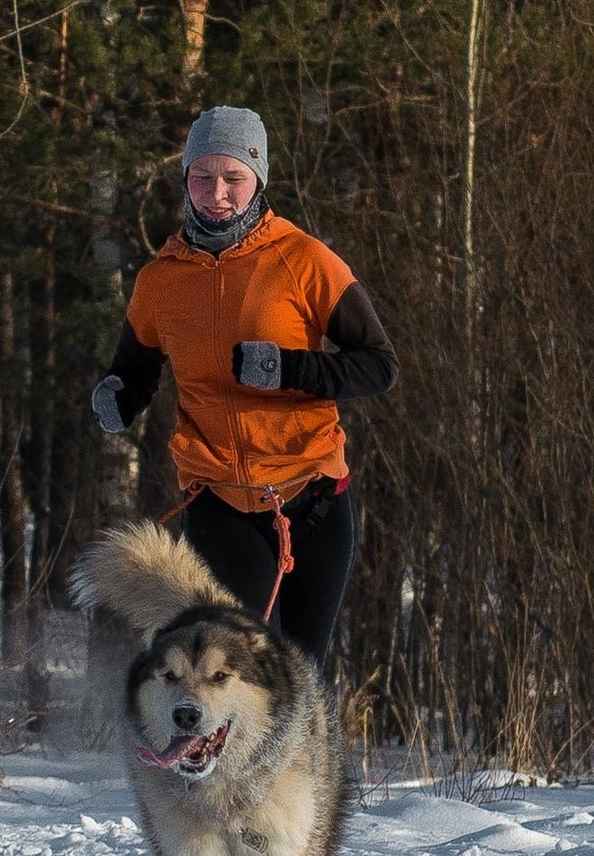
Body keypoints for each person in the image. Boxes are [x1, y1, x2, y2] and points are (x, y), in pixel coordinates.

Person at [92, 105, 397, 674]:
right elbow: (133, 371)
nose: (218, 194)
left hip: (315, 499)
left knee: (301, 680)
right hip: (220, 501)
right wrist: (116, 399)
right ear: (185, 179)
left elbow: (378, 365)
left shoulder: (305, 260)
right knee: (234, 673)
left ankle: (310, 768)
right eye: (202, 177)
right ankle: (222, 765)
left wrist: (289, 369)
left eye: (233, 177)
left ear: (259, 180)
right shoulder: (161, 280)